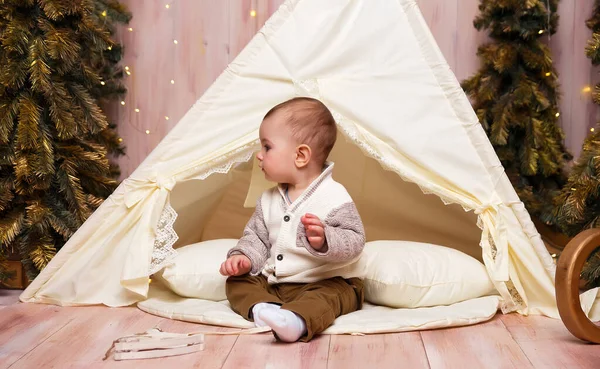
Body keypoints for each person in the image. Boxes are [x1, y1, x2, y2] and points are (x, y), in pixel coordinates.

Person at [219, 97, 366, 342]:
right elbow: (256, 237)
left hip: (323, 282)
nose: (259, 155)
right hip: (276, 285)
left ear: (300, 156)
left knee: (334, 296)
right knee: (237, 282)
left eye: (267, 147)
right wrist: (243, 258)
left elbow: (355, 239)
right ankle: (264, 308)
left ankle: (296, 321)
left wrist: (325, 240)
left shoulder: (333, 195)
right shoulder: (267, 200)